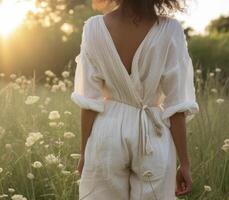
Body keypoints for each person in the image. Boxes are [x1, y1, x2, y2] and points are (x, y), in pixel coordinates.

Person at [70, 0, 200, 199]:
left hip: (107, 132)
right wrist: (185, 164)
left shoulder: (94, 28)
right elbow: (177, 105)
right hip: (152, 135)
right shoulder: (170, 30)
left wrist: (84, 153)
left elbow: (89, 101)